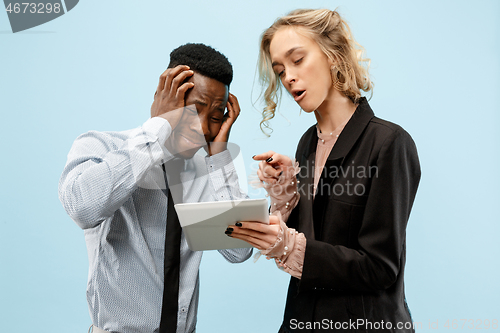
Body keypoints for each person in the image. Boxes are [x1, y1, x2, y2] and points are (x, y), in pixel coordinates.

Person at [227, 9, 421, 332]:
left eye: (297, 60)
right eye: (280, 70)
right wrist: (288, 194)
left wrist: (288, 245)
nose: (288, 77)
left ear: (332, 55)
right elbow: (320, 239)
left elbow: (380, 266)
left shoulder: (390, 143)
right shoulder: (306, 145)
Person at [58, 43, 252, 333]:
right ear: (165, 97)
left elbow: (239, 250)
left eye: (215, 116)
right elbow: (83, 208)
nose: (203, 127)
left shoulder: (205, 172)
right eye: (193, 110)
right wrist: (156, 128)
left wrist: (219, 156)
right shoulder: (102, 147)